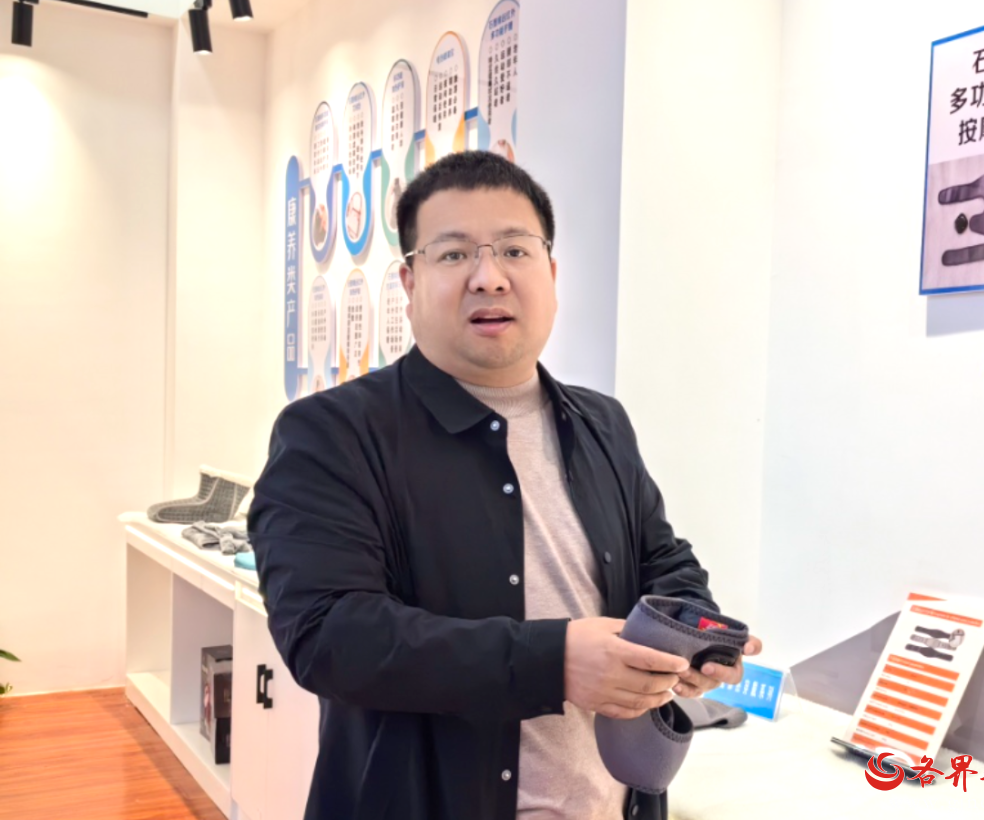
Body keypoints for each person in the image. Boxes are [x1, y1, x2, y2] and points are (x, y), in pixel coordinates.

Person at [248, 151, 762, 820]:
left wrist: (693, 628)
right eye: (454, 254)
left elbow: (661, 557)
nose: (488, 277)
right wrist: (555, 662)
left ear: (551, 274)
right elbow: (328, 636)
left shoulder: (601, 422)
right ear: (410, 282)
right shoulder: (332, 433)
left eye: (515, 250)